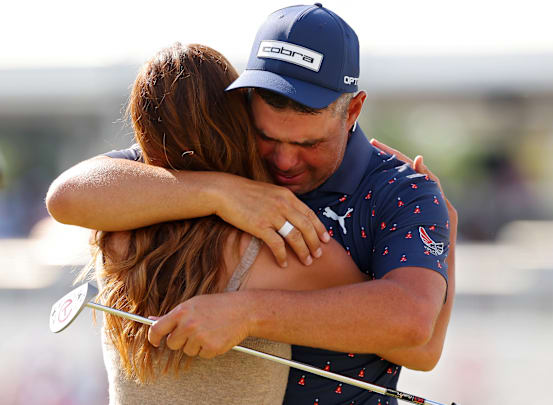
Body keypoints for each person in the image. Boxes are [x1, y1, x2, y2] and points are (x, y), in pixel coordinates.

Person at [46, 4, 457, 404]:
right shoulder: (218, 156)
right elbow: (67, 195)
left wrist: (247, 314)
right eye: (268, 137)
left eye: (308, 144)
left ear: (352, 109)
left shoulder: (402, 191)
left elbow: (414, 329)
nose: (284, 161)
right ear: (244, 103)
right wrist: (221, 192)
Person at [84, 42, 369, 404]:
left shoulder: (111, 233)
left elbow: (72, 193)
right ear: (239, 119)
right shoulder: (273, 245)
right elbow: (392, 322)